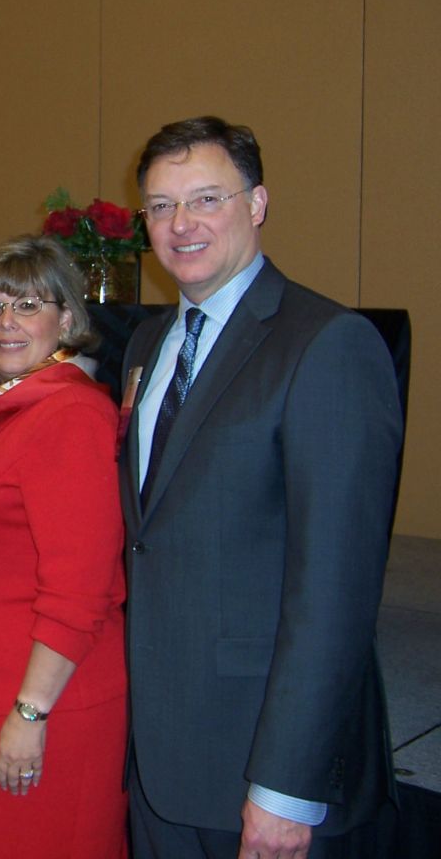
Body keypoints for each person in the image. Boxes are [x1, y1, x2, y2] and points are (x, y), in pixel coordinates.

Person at [121, 116, 403, 858]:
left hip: (260, 766)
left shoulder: (326, 344)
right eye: (161, 205)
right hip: (159, 755)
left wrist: (284, 788)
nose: (181, 224)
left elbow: (336, 592)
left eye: (206, 199)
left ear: (257, 204)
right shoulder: (149, 343)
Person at [0, 236, 128, 858]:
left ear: (66, 319)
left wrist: (31, 713)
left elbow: (79, 590)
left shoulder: (69, 416)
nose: (6, 323)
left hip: (46, 702)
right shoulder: (9, 409)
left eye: (28, 305)